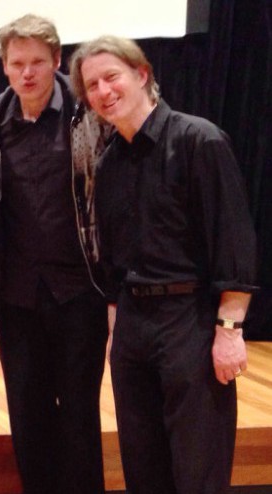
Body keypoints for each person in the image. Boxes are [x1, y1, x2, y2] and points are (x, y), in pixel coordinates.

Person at [70, 36, 257, 494]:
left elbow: (233, 242)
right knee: (142, 466)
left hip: (187, 321)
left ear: (142, 74)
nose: (102, 91)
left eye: (111, 76)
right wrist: (118, 330)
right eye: (91, 85)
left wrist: (229, 332)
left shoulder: (199, 140)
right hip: (134, 324)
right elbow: (114, 258)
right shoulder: (110, 159)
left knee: (198, 468)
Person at [0, 14, 112, 493]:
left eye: (37, 62)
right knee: (27, 411)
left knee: (81, 413)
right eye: (17, 63)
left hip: (79, 293)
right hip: (18, 298)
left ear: (58, 61)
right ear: (3, 66)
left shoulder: (91, 117)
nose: (27, 73)